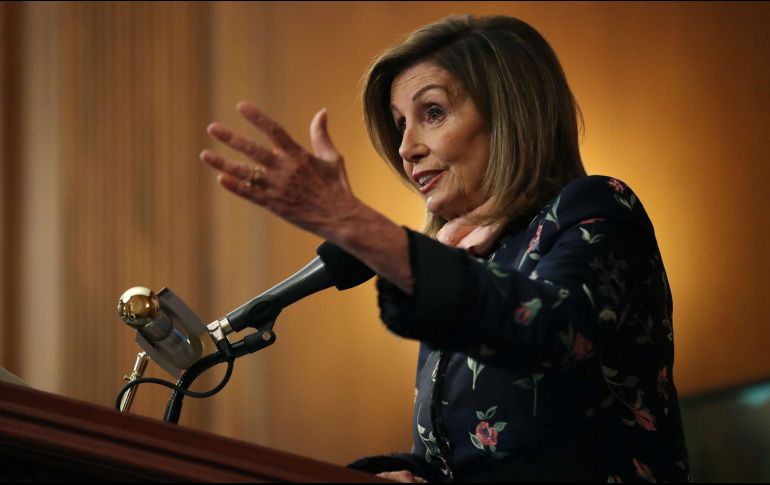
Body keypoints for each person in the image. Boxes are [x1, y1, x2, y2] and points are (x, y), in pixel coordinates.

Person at [200, 14, 690, 483]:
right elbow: (469, 457)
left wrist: (356, 224)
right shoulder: (458, 267)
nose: (406, 147)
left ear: (509, 113)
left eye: (431, 113)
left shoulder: (596, 207)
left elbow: (555, 333)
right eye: (400, 125)